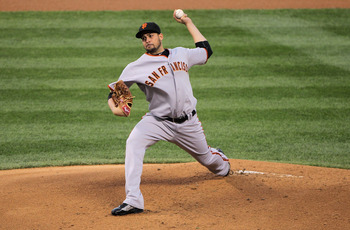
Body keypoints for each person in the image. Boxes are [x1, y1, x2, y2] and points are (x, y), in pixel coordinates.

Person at [107, 10, 231, 216]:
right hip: (158, 122)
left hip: (188, 123)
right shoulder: (136, 67)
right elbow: (115, 92)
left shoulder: (181, 53)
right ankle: (133, 200)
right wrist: (115, 107)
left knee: (212, 163)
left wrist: (188, 22)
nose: (147, 40)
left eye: (151, 36)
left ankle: (221, 160)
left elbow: (206, 50)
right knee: (133, 142)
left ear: (160, 36)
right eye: (144, 38)